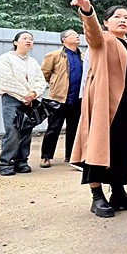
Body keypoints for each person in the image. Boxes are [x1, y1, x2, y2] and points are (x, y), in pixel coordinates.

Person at [69, 0, 127, 218]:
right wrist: (86, 10)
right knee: (98, 148)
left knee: (121, 149)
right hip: (104, 106)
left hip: (126, 107)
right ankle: (97, 197)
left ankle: (118, 193)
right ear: (106, 22)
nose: (123, 20)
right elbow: (91, 31)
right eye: (117, 17)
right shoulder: (103, 40)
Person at [0, 31, 47, 176]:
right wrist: (24, 94)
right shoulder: (6, 58)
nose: (28, 41)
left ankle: (22, 161)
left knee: (26, 130)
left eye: (31, 39)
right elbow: (4, 79)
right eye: (24, 38)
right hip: (12, 99)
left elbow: (40, 80)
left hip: (30, 100)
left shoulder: (33, 62)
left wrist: (34, 93)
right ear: (15, 42)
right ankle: (5, 163)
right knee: (13, 131)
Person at [39, 29, 83, 168]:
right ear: (64, 39)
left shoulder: (83, 56)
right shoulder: (54, 55)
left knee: (74, 129)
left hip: (77, 99)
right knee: (53, 128)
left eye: (77, 35)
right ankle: (46, 156)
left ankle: (71, 156)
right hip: (58, 98)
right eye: (73, 35)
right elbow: (44, 74)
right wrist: (55, 84)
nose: (77, 36)